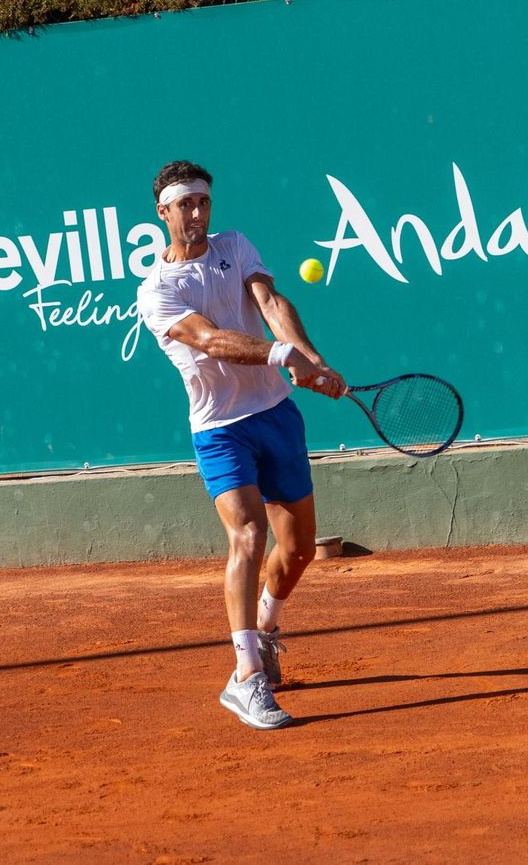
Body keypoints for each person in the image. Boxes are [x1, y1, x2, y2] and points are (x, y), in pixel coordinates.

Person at [135, 160, 347, 728]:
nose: (198, 214)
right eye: (185, 205)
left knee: (299, 548)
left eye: (203, 202)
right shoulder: (157, 292)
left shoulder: (235, 245)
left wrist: (313, 359)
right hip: (220, 430)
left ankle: (267, 629)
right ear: (163, 213)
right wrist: (282, 357)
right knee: (248, 535)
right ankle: (247, 675)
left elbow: (271, 304)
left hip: (276, 416)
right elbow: (209, 340)